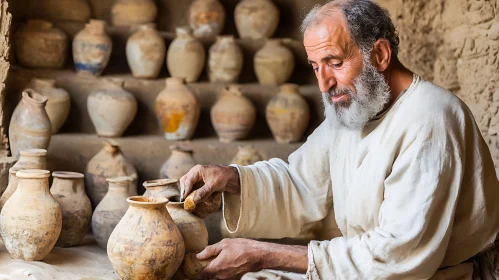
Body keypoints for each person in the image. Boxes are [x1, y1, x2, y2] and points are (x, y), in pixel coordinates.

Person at [180, 0, 499, 279]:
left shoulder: (430, 118)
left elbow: (398, 257)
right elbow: (301, 182)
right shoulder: (354, 110)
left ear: (380, 54)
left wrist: (264, 254)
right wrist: (232, 179)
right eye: (315, 67)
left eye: (334, 62)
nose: (323, 83)